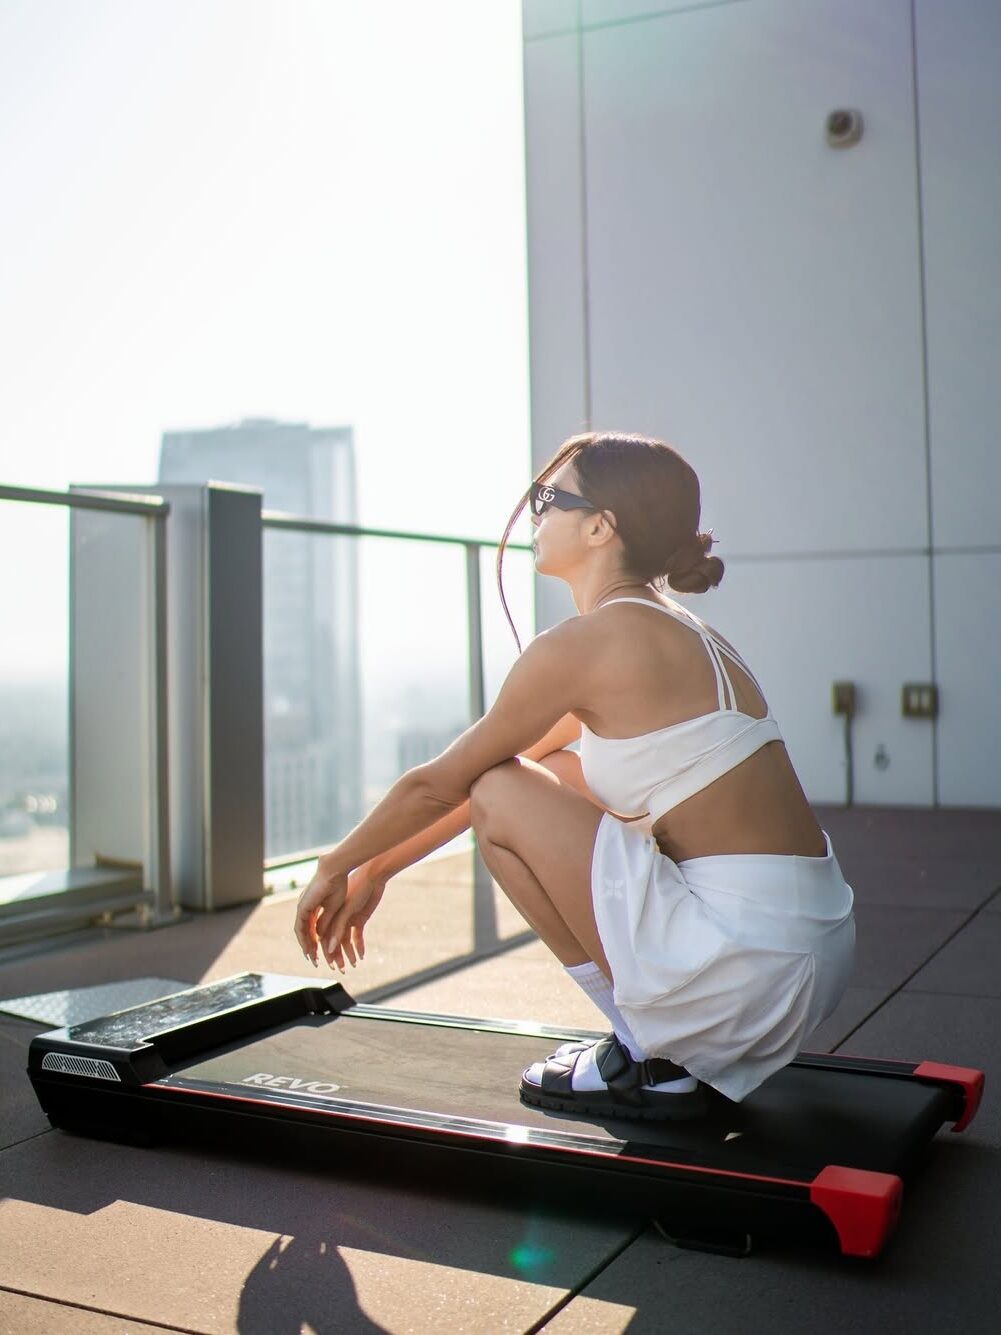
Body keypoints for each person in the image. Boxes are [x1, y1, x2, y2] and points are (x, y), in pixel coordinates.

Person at [294, 431, 855, 1120]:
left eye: (546, 498)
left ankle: (644, 1055)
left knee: (503, 790)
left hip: (747, 974)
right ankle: (653, 1047)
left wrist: (335, 862)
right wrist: (377, 868)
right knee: (546, 770)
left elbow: (445, 782)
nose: (534, 515)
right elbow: (500, 773)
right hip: (810, 950)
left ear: (600, 525)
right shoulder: (681, 630)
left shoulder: (585, 645)